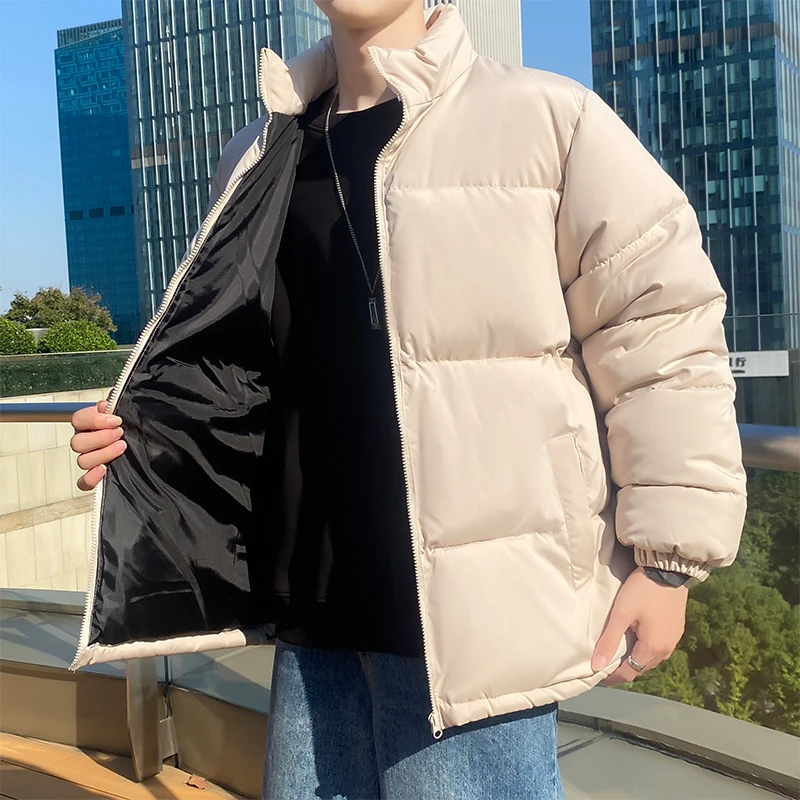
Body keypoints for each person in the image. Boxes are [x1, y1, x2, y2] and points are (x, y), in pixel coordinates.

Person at [69, 1, 747, 797]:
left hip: (477, 626)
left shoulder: (546, 119)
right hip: (312, 615)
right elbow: (240, 371)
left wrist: (668, 564)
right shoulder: (257, 153)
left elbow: (661, 330)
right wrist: (146, 436)